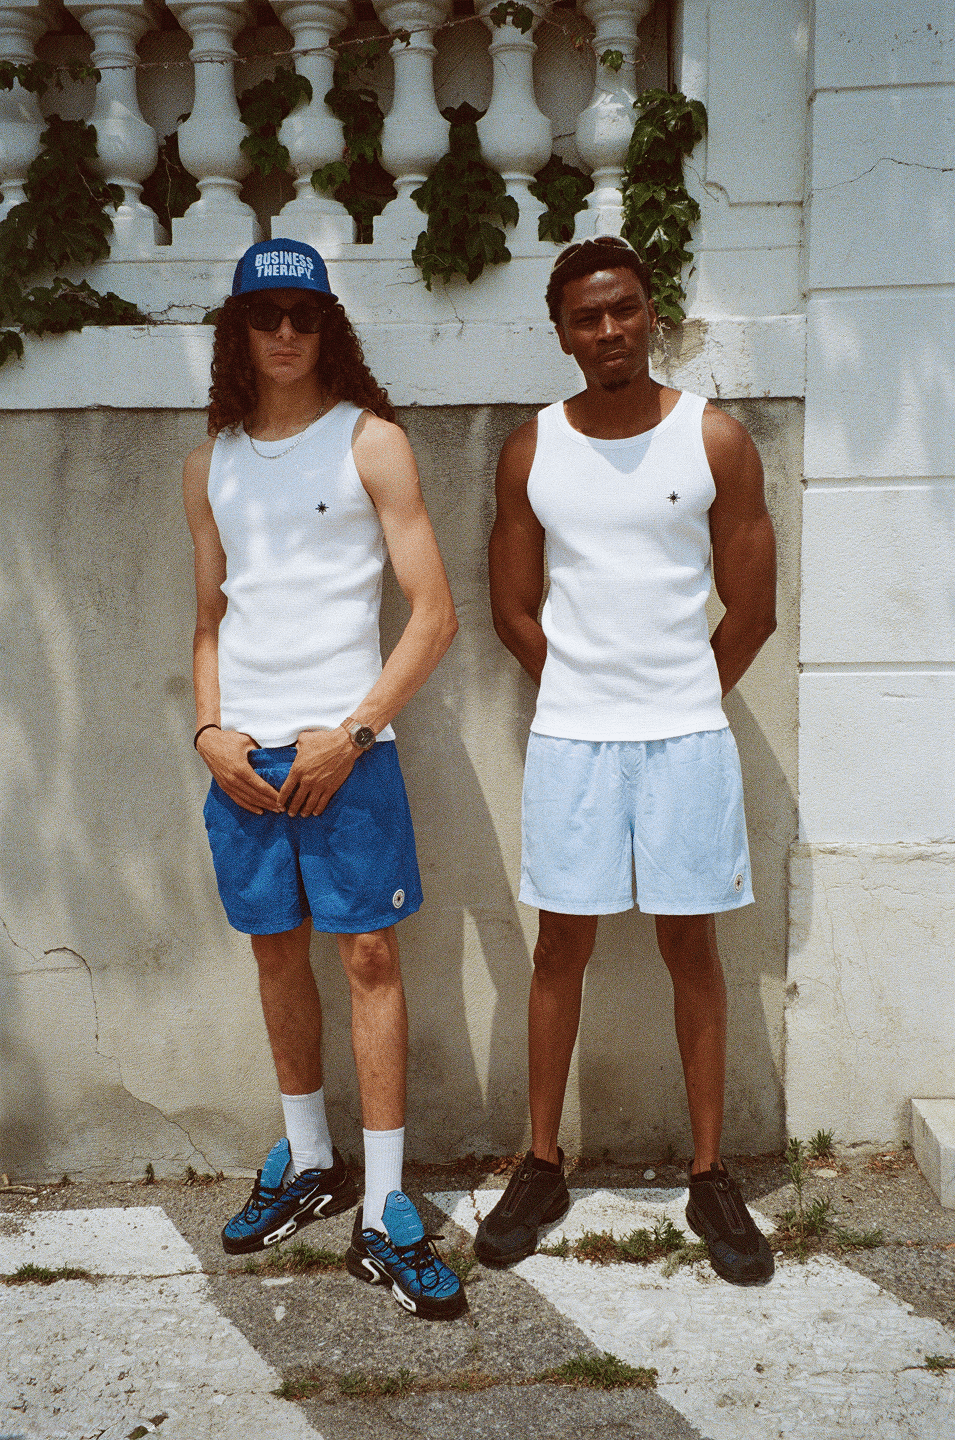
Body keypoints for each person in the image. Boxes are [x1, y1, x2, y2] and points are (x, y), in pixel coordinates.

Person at [479, 236, 777, 1286]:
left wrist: (680, 695)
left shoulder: (713, 439)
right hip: (573, 738)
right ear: (561, 333)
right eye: (585, 317)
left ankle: (708, 1174)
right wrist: (584, 691)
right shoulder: (532, 448)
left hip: (685, 736)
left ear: (652, 313)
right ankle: (541, 1164)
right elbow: (512, 608)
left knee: (690, 944)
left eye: (623, 310)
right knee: (558, 946)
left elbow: (753, 608)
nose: (608, 330)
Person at [183, 238, 465, 1321]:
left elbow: (432, 615)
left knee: (370, 957)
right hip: (243, 759)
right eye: (266, 316)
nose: (286, 332)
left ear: (327, 326)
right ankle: (307, 1159)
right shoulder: (207, 463)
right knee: (273, 952)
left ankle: (385, 1208)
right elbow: (209, 619)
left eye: (305, 314)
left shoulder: (371, 442)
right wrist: (208, 730)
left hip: (348, 751)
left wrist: (352, 733)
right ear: (239, 331)